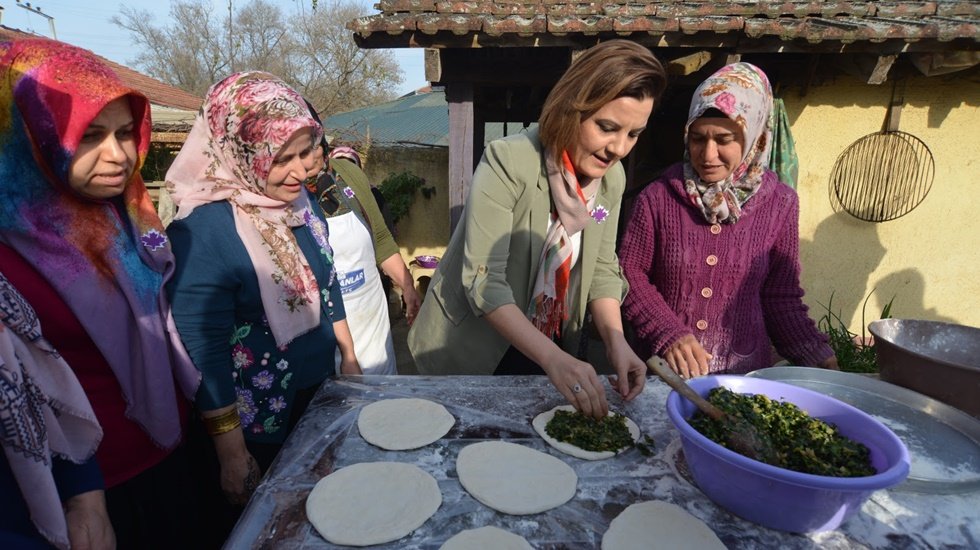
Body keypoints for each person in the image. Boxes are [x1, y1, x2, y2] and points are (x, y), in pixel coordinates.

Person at [0, 39, 201, 548]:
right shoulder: (9, 252)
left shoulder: (127, 214)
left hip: (171, 452)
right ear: (35, 136)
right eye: (89, 136)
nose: (118, 156)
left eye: (126, 133)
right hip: (90, 491)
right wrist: (79, 495)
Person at [408, 40, 667, 418]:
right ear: (570, 108)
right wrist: (554, 359)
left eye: (634, 134)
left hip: (550, 344)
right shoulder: (508, 162)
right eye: (607, 127)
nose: (619, 149)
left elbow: (601, 269)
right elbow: (484, 282)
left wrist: (616, 343)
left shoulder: (610, 182)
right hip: (476, 345)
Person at [165, 71, 360, 543]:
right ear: (241, 152)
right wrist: (232, 453)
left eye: (305, 154)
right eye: (281, 159)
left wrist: (349, 357)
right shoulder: (203, 230)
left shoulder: (299, 205)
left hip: (313, 400)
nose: (300, 172)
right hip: (251, 427)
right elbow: (200, 349)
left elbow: (325, 281)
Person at [619, 62, 838, 378]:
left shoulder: (780, 204)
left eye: (723, 140)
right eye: (697, 138)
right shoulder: (658, 197)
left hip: (742, 379)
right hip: (664, 377)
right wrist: (667, 333)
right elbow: (629, 274)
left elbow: (781, 296)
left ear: (753, 136)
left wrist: (814, 353)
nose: (707, 155)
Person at [302, 125, 421, 374]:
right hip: (322, 328)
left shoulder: (348, 174)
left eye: (312, 147)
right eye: (297, 152)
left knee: (383, 400)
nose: (307, 158)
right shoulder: (285, 192)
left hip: (370, 318)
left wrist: (407, 286)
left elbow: (380, 237)